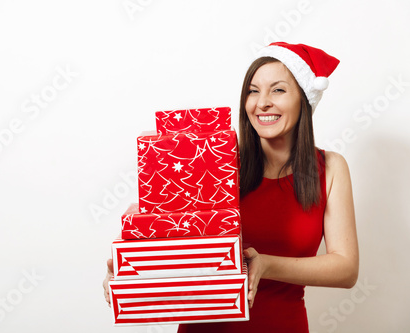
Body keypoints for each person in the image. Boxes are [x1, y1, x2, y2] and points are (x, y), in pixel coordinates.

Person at [103, 42, 359, 332]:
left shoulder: (330, 168)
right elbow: (176, 236)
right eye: (253, 90)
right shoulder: (214, 161)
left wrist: (266, 265)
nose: (261, 102)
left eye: (277, 90)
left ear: (304, 99)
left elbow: (346, 269)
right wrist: (132, 275)